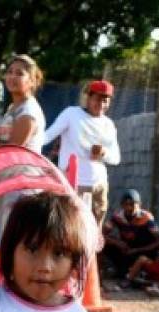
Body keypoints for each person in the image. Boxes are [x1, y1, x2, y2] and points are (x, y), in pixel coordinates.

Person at [0, 55, 47, 261]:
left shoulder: (28, 111)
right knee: (1, 239)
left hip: (21, 186)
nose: (12, 76)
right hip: (5, 183)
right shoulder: (12, 108)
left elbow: (12, 150)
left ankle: (16, 288)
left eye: (20, 73)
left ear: (32, 80)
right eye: (10, 72)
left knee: (15, 241)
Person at [43, 80, 120, 228]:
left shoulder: (108, 124)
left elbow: (116, 158)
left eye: (106, 100)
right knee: (70, 229)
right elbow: (47, 136)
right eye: (98, 99)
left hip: (99, 186)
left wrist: (103, 153)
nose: (101, 104)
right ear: (88, 98)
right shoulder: (71, 114)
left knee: (94, 233)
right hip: (73, 184)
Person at [102, 188, 159, 278]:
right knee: (103, 244)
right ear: (122, 205)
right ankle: (118, 269)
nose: (129, 208)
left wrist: (138, 250)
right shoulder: (117, 217)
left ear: (139, 205)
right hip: (127, 248)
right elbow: (102, 235)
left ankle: (134, 271)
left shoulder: (146, 218)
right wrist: (117, 243)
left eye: (132, 204)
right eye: (126, 204)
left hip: (143, 250)